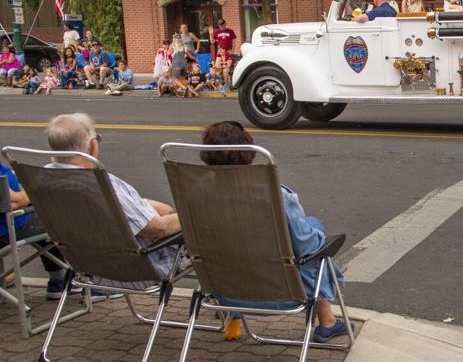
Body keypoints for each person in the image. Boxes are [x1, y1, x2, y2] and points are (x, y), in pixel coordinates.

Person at [198, 121, 354, 343]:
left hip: (225, 293)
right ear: (249, 152)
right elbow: (306, 247)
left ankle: (231, 314)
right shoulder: (276, 196)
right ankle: (327, 322)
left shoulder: (197, 193)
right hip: (282, 294)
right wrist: (318, 234)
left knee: (231, 244)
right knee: (314, 239)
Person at [45, 113, 183, 289]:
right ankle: (216, 298)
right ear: (92, 145)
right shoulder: (100, 185)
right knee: (201, 230)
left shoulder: (43, 178)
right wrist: (190, 216)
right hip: (137, 270)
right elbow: (157, 229)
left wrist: (147, 206)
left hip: (86, 266)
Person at [1, 159, 71, 297]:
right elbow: (13, 201)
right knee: (52, 217)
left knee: (39, 210)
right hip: (6, 230)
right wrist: (34, 190)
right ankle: (61, 280)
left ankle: (58, 280)